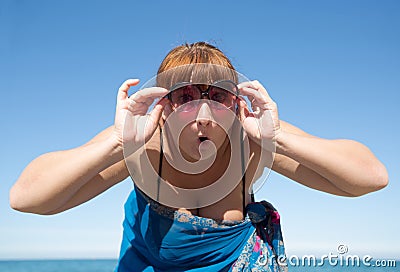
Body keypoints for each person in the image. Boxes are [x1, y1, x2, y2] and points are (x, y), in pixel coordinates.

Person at [9, 42, 388, 271]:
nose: (203, 113)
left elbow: (370, 177)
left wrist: (278, 139)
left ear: (235, 102)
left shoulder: (250, 140)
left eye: (217, 95)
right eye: (186, 97)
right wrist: (117, 142)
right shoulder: (145, 145)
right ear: (165, 103)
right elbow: (26, 198)